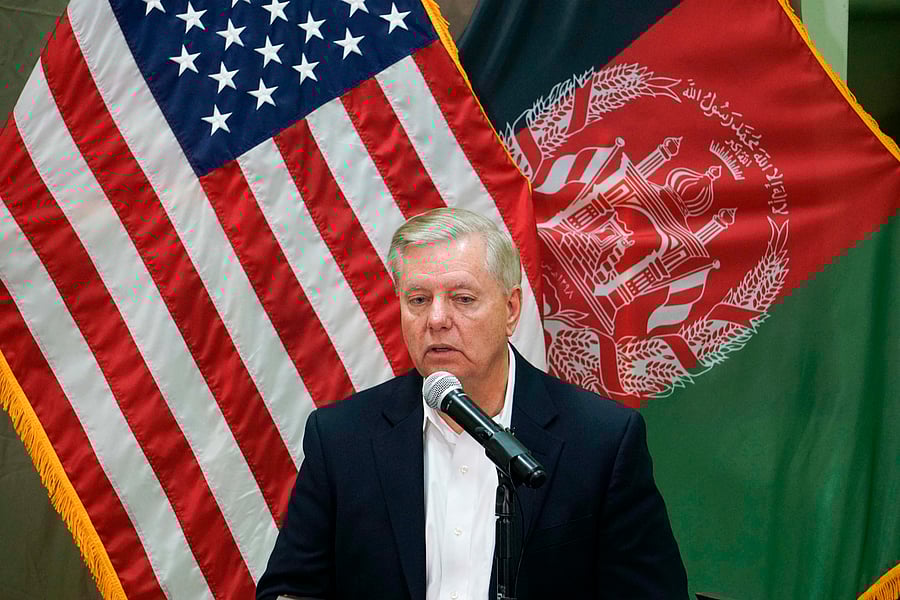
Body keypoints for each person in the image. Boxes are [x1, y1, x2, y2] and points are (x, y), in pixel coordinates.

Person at [257, 208, 689, 599]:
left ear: (511, 309)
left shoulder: (600, 440)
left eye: (463, 299)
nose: (437, 319)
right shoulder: (341, 438)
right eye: (419, 300)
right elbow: (291, 589)